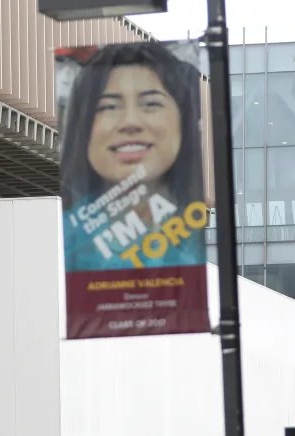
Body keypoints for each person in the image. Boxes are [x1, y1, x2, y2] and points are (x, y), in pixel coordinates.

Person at [59, 41, 205, 269]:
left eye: (150, 103)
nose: (130, 123)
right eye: (109, 107)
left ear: (184, 120)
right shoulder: (65, 245)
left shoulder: (199, 241)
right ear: (82, 125)